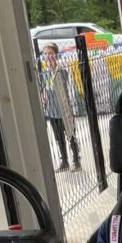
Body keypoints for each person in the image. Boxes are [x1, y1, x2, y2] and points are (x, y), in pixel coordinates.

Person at [39, 43, 81, 173]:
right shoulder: (44, 73)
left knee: (70, 134)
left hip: (63, 109)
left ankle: (76, 160)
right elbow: (43, 87)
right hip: (51, 110)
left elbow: (62, 85)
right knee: (58, 137)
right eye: (45, 54)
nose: (48, 56)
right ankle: (64, 161)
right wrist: (43, 96)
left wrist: (53, 69)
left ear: (56, 55)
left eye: (50, 53)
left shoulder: (61, 70)